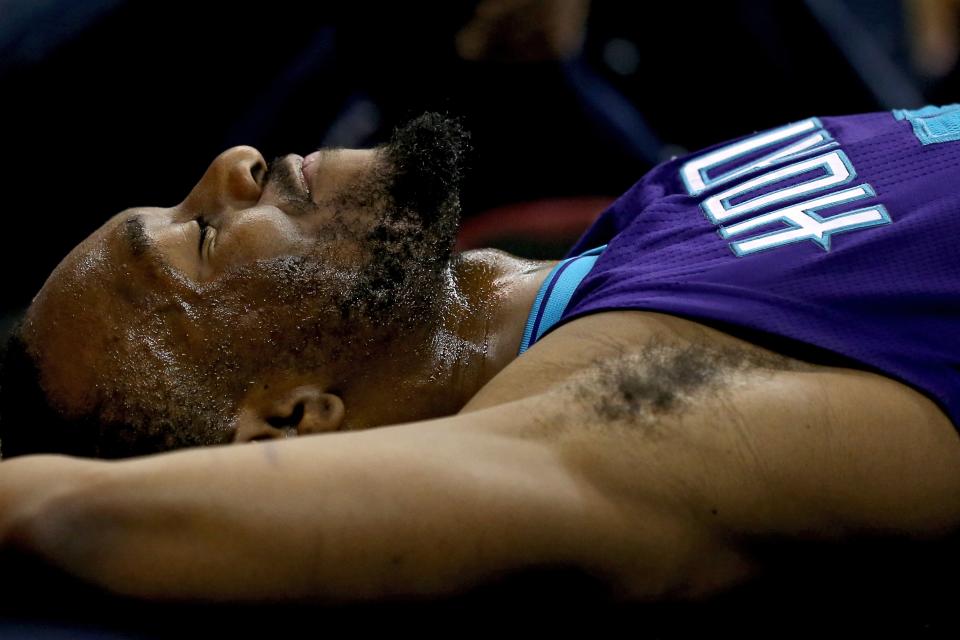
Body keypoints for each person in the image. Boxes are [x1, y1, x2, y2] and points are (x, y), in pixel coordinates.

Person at [0, 108, 958, 606]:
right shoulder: (631, 403)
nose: (233, 168)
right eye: (199, 237)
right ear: (291, 421)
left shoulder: (636, 233)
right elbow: (74, 518)